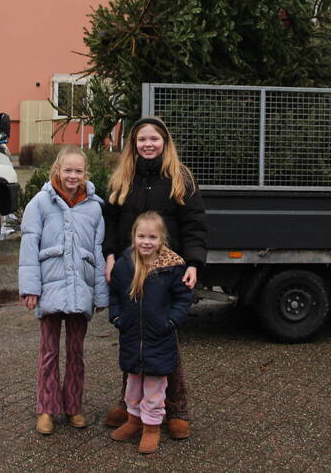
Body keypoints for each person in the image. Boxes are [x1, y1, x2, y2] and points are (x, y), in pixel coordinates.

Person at [102, 116, 207, 439]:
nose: (148, 144)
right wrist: (109, 256)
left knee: (165, 340)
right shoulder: (122, 178)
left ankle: (176, 408)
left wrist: (193, 263)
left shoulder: (180, 178)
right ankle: (131, 405)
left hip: (166, 269)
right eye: (142, 139)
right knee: (132, 335)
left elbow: (194, 224)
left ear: (165, 142)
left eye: (155, 139)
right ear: (133, 144)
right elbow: (111, 221)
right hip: (130, 267)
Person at [18, 146, 108, 435]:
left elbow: (98, 252)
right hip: (50, 288)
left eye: (78, 171)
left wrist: (100, 293)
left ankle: (73, 406)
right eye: (67, 170)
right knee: (48, 352)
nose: (72, 176)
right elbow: (29, 246)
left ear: (86, 174)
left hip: (81, 289)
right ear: (57, 169)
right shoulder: (40, 203)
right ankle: (46, 408)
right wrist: (30, 288)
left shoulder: (95, 207)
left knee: (76, 352)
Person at [108, 211, 193, 455]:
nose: (146, 241)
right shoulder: (124, 266)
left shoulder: (171, 269)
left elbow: (183, 297)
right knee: (132, 386)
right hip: (132, 338)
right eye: (141, 236)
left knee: (155, 389)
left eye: (152, 237)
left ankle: (151, 428)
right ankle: (133, 421)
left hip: (160, 339)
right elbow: (113, 293)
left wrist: (172, 321)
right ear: (133, 237)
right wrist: (116, 317)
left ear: (162, 239)